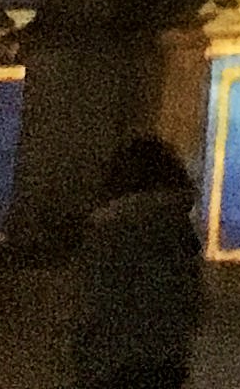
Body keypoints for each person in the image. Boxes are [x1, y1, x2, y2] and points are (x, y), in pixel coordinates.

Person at [70, 137, 206, 389]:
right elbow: (192, 301)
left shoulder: (107, 230)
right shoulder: (178, 227)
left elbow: (92, 305)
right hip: (166, 361)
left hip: (111, 363)